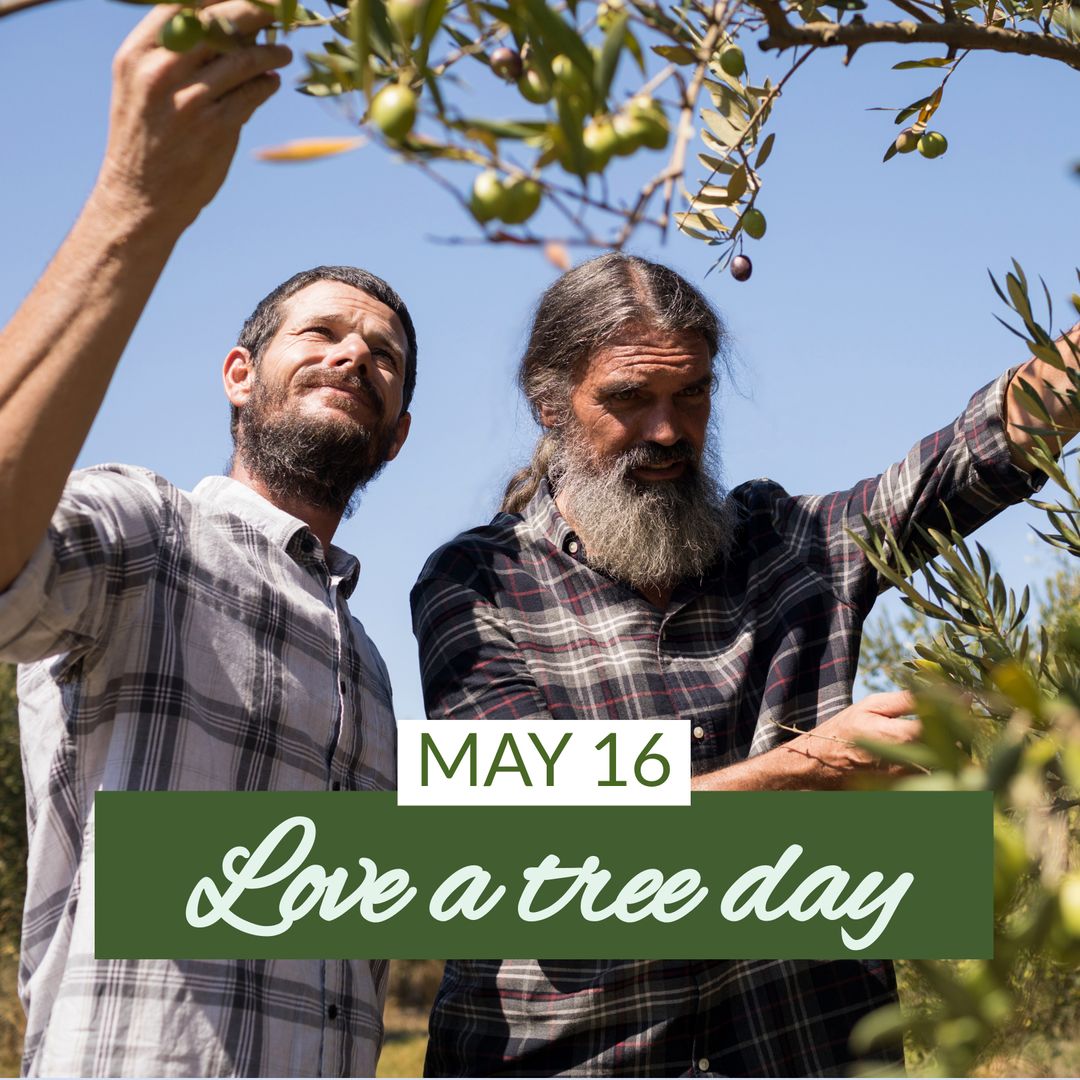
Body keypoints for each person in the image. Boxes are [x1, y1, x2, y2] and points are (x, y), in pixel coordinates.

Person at [411, 252, 1079, 1077]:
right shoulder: (478, 582)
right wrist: (815, 766)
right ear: (549, 404)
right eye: (630, 399)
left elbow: (970, 458)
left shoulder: (783, 544)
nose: (666, 431)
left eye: (691, 394)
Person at [0, 6, 416, 1075]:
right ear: (240, 376)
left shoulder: (369, 669)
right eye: (320, 333)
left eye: (384, 356)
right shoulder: (147, 532)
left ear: (399, 435)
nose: (354, 355)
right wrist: (133, 208)